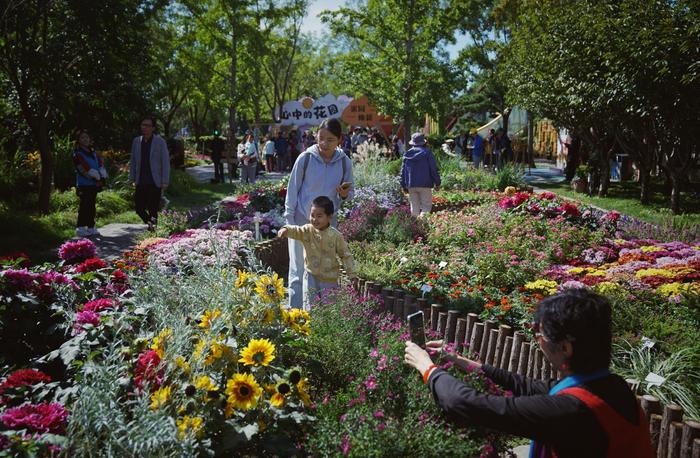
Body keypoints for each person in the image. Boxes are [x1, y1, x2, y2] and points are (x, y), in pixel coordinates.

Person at [404, 289, 654, 458]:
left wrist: (427, 368)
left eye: (540, 335)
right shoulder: (610, 385)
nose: (538, 340)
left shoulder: (570, 412)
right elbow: (528, 385)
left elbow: (466, 404)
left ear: (566, 347)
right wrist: (458, 360)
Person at [284, 118, 353, 309]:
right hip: (301, 222)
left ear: (340, 139)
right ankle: (296, 316)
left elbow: (350, 192)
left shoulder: (344, 162)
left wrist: (345, 194)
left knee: (324, 270)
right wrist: (289, 220)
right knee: (298, 270)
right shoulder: (305, 159)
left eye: (330, 140)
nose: (324, 143)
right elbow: (293, 189)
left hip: (326, 227)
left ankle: (321, 317)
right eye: (321, 138)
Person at [277, 196, 356, 309]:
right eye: (312, 215)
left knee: (330, 308)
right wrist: (285, 229)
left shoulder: (335, 236)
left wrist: (352, 274)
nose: (314, 219)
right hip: (311, 277)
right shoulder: (307, 230)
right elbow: (296, 230)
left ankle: (328, 327)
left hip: (330, 279)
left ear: (329, 217)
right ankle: (310, 325)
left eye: (319, 216)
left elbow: (345, 255)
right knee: (310, 306)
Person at [128, 116, 170, 231]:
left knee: (153, 209)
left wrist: (165, 180)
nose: (145, 128)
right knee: (139, 208)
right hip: (140, 180)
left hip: (154, 181)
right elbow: (133, 161)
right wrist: (131, 178)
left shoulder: (160, 142)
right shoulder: (137, 141)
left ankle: (153, 231)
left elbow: (165, 162)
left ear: (153, 128)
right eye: (143, 125)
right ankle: (152, 225)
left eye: (148, 125)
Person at [73, 129, 107, 237]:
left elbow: (100, 165)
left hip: (93, 185)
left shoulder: (93, 153)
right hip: (84, 184)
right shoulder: (77, 154)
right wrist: (95, 178)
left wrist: (101, 177)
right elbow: (82, 170)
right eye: (82, 137)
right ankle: (81, 227)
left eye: (87, 137)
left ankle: (91, 227)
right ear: (78, 140)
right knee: (84, 206)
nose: (85, 139)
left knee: (92, 206)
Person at [400, 132, 441, 216]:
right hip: (425, 184)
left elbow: (403, 171)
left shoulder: (407, 154)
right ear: (423, 142)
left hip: (411, 184)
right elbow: (433, 169)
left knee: (414, 208)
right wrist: (437, 182)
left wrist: (403, 185)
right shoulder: (427, 153)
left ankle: (415, 227)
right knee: (426, 207)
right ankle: (423, 226)